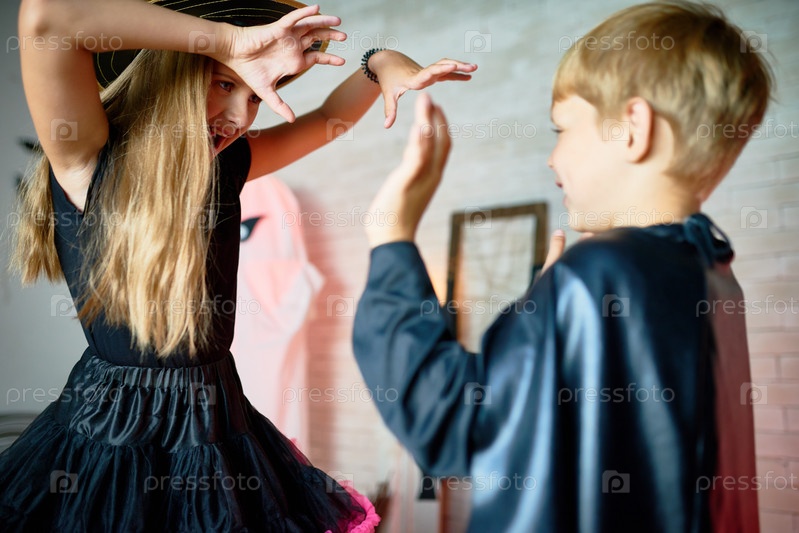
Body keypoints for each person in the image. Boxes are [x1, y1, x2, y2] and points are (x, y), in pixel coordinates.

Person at [2, 0, 476, 530]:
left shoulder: (226, 165)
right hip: (110, 434)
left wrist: (380, 63)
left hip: (219, 422)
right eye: (225, 84)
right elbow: (46, 18)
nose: (241, 117)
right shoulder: (89, 159)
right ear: (170, 73)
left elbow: (326, 120)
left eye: (254, 96)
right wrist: (231, 41)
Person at [352, 1, 773, 531]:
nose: (552, 158)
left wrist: (390, 237)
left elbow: (453, 421)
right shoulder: (712, 272)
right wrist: (547, 320)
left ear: (633, 127)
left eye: (561, 130)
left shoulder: (599, 271)